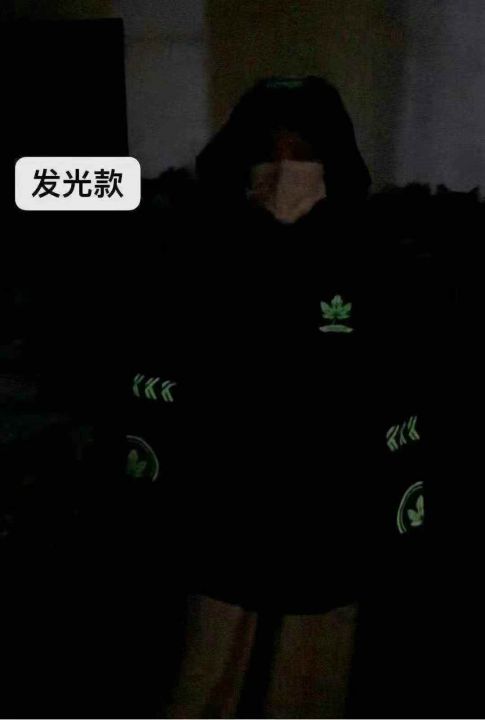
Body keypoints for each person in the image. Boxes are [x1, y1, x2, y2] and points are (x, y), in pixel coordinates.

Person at [126, 76, 434, 717]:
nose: (285, 170)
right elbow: (164, 371)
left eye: (304, 153)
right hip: (223, 504)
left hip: (331, 510)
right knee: (210, 665)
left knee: (309, 674)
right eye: (271, 153)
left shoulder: (370, 256)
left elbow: (395, 380)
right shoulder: (202, 248)